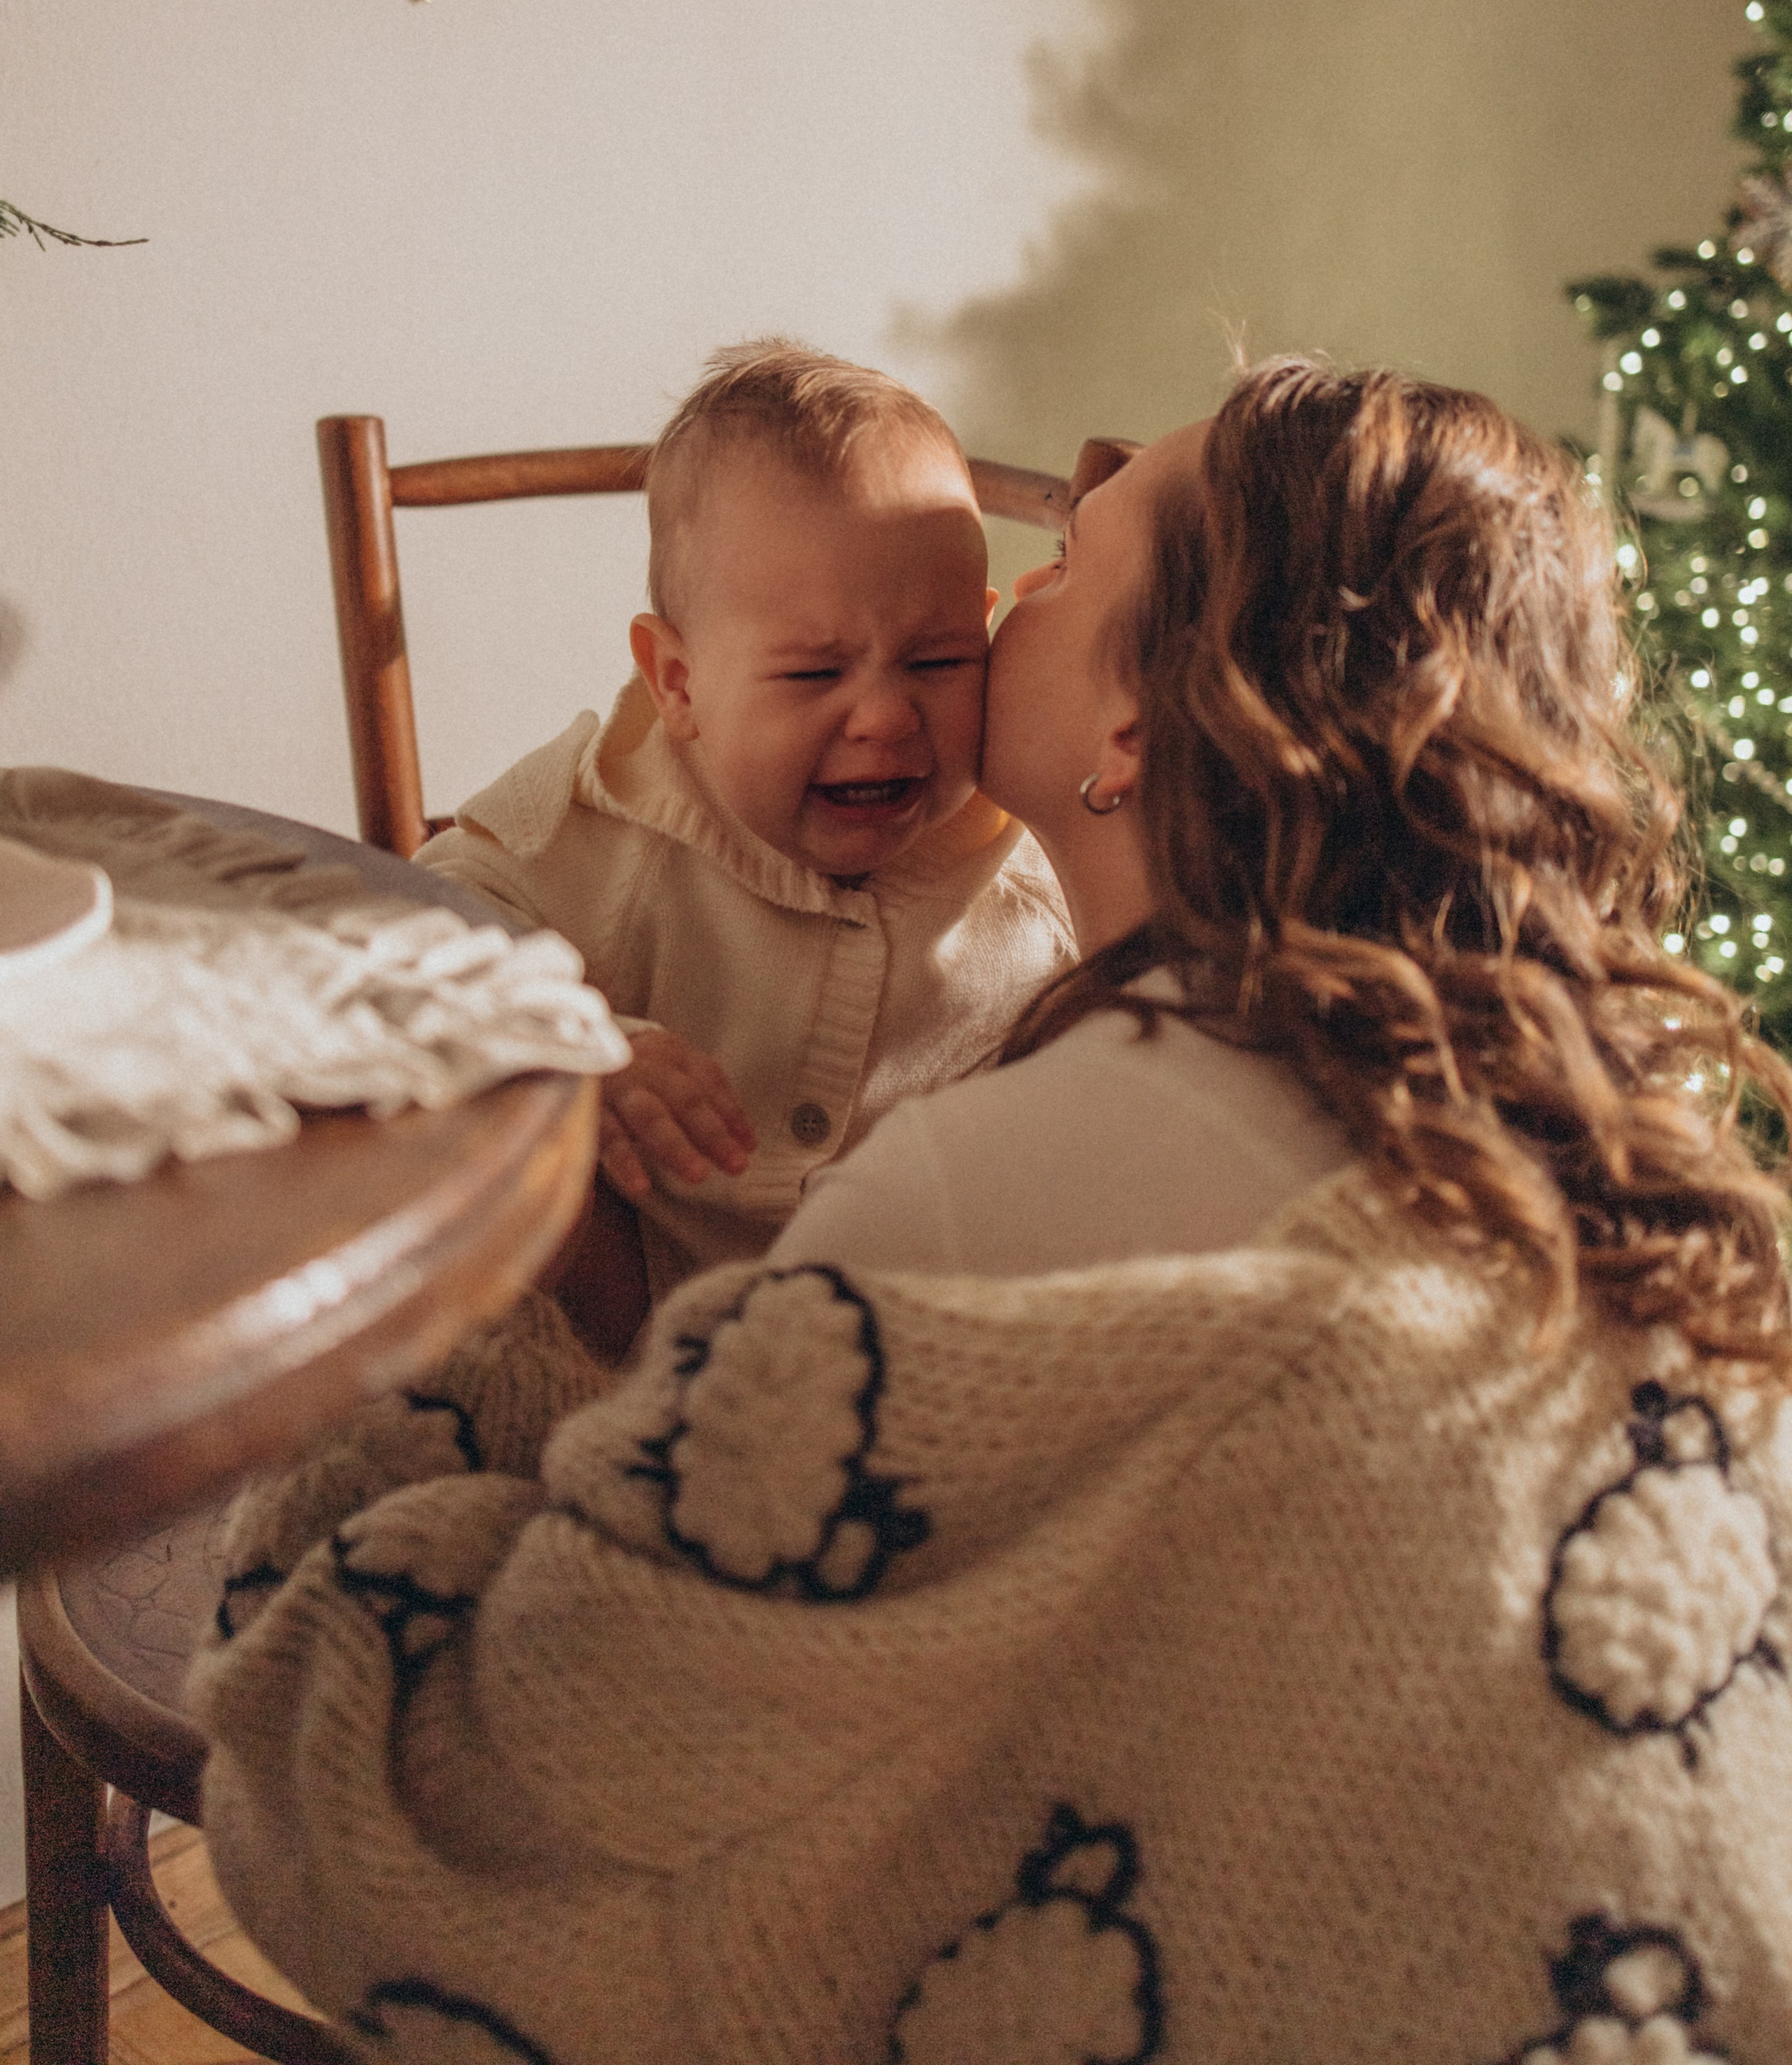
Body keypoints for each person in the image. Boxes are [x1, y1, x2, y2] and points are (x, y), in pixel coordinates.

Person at [193, 359, 1792, 2062]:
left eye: (1052, 572)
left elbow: (524, 1785)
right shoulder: (1544, 1094)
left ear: (1130, 729)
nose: (960, 643)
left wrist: (440, 1307)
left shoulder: (995, 1173)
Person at [416, 340, 1073, 1341]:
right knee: (499, 1177)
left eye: (939, 660)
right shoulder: (604, 815)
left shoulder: (1035, 852)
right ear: (678, 683)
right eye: (816, 676)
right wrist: (577, 1041)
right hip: (636, 1321)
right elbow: (399, 936)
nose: (887, 719)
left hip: (919, 1341)